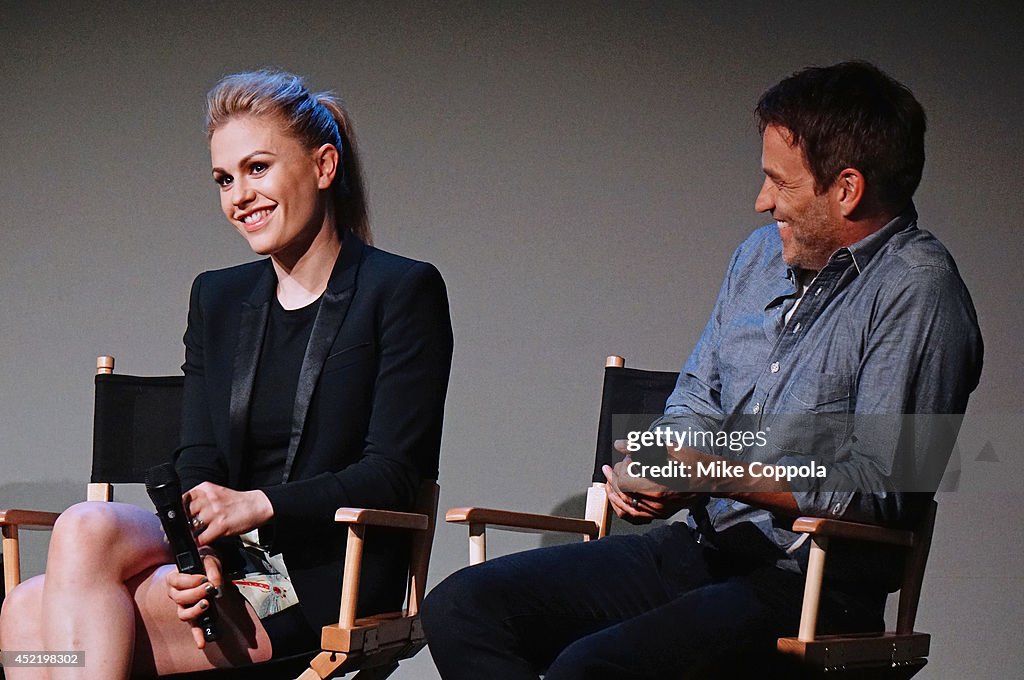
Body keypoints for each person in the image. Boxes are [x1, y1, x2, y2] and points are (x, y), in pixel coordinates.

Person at [422, 61, 982, 679]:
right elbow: (696, 401)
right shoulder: (760, 256)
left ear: (847, 188)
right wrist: (658, 470)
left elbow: (879, 487)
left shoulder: (919, 291)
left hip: (810, 585)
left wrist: (723, 475)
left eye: (780, 182)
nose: (762, 200)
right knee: (462, 606)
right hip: (702, 546)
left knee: (592, 668)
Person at [0, 70, 453, 678]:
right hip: (229, 559)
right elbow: (199, 454)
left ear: (324, 166)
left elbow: (394, 475)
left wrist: (258, 505)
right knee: (82, 528)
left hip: (322, 571)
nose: (239, 196)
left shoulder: (400, 290)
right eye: (224, 179)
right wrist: (197, 554)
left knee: (33, 616)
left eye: (258, 168)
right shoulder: (217, 297)